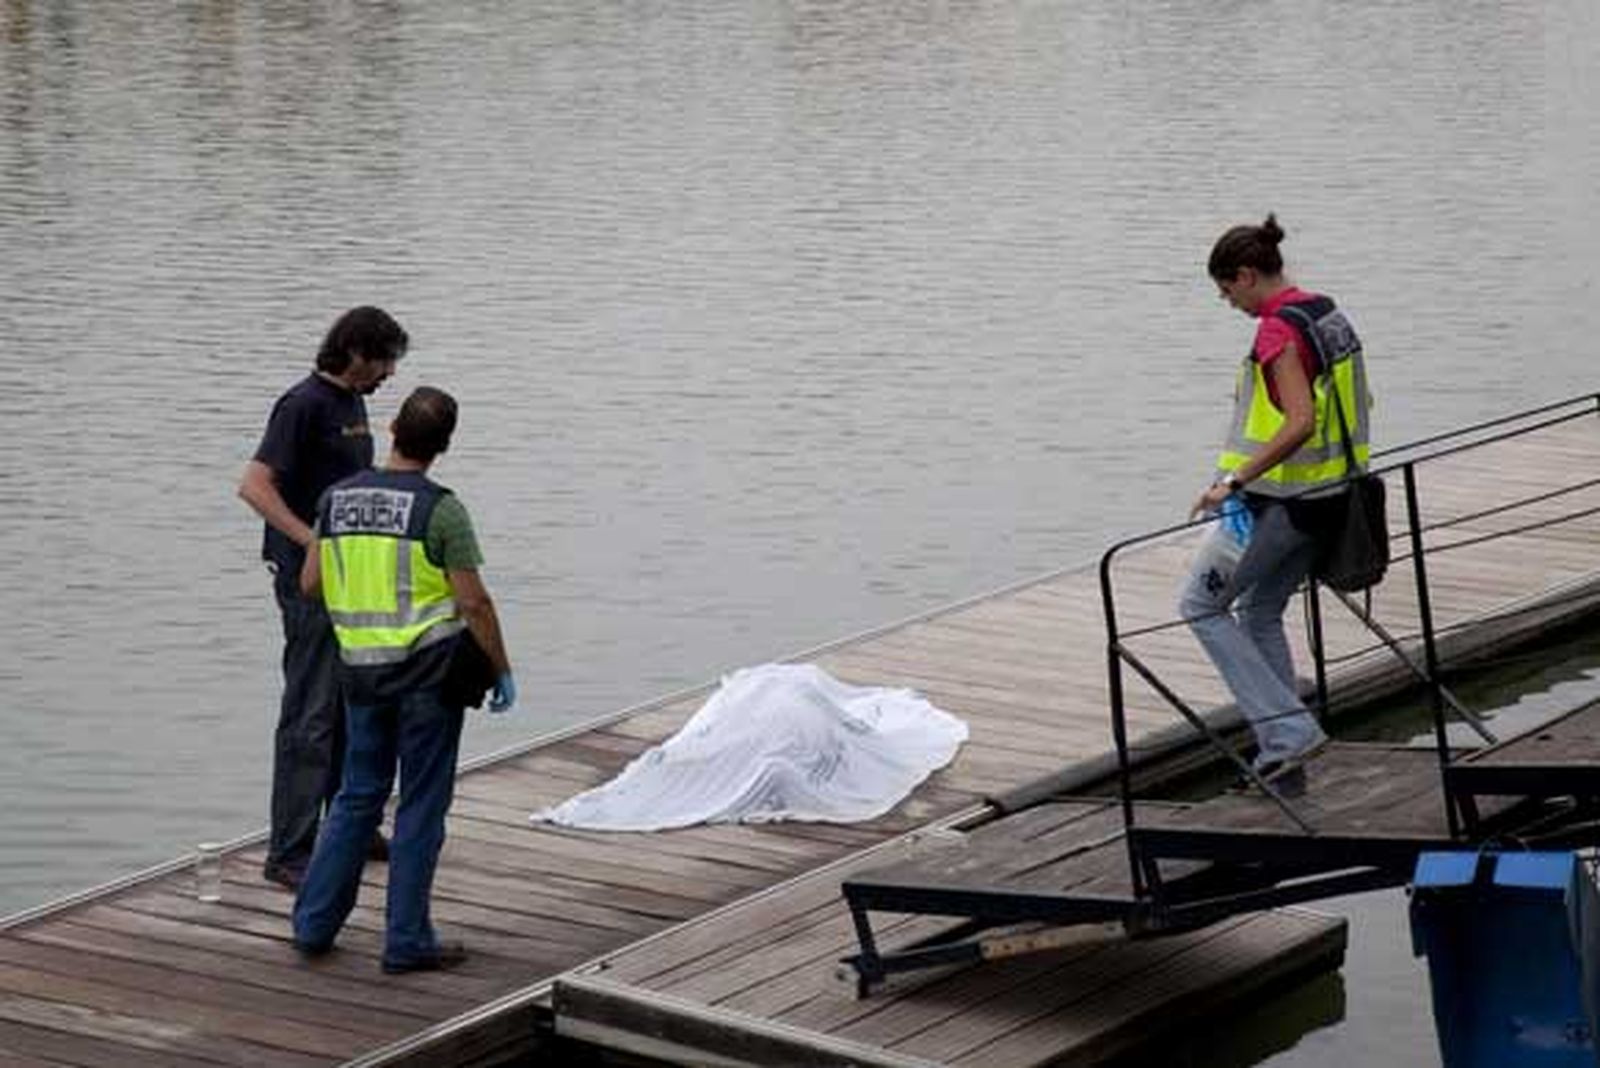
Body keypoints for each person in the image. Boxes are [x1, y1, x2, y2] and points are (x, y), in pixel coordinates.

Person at [292, 386, 516, 973]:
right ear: (443, 446)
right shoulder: (441, 509)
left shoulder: (336, 500)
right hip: (428, 679)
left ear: (392, 429)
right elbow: (475, 603)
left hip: (361, 675)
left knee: (355, 796)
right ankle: (407, 939)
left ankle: (313, 924)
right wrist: (500, 668)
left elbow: (310, 584)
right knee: (420, 804)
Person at [1180, 215, 1373, 786]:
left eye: (1225, 290)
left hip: (1280, 503)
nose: (1226, 302)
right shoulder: (1327, 314)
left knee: (1199, 607)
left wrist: (1232, 482)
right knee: (1259, 611)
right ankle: (1280, 750)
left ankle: (1290, 732)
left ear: (1245, 275)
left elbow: (1299, 421)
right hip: (1333, 496)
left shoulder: (1275, 331)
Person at [238, 306, 408, 889]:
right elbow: (253, 485)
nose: (388, 374)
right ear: (357, 351)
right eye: (384, 361)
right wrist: (310, 539)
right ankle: (288, 849)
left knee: (347, 703)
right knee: (308, 714)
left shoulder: (353, 404)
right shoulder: (303, 404)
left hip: (350, 579)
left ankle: (348, 827)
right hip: (306, 581)